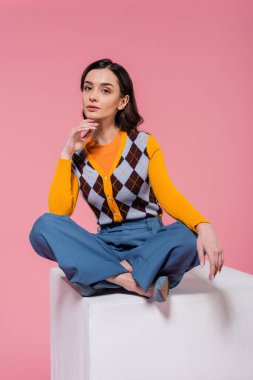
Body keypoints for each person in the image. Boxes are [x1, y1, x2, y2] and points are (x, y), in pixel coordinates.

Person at [29, 58, 224, 303]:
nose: (93, 96)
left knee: (188, 238)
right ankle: (132, 281)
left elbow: (168, 196)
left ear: (123, 101)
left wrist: (204, 226)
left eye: (105, 90)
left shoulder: (144, 145)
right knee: (44, 227)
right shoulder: (79, 154)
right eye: (88, 88)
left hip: (150, 240)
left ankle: (99, 277)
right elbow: (59, 212)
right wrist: (67, 153)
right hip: (106, 242)